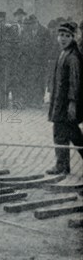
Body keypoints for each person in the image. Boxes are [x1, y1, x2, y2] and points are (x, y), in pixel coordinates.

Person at [46, 22, 83, 175]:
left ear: (73, 37)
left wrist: (72, 103)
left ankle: (61, 166)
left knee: (61, 134)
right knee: (73, 135)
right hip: (59, 102)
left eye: (67, 36)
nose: (63, 39)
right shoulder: (63, 53)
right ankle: (63, 165)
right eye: (61, 35)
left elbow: (75, 83)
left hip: (66, 105)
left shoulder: (73, 56)